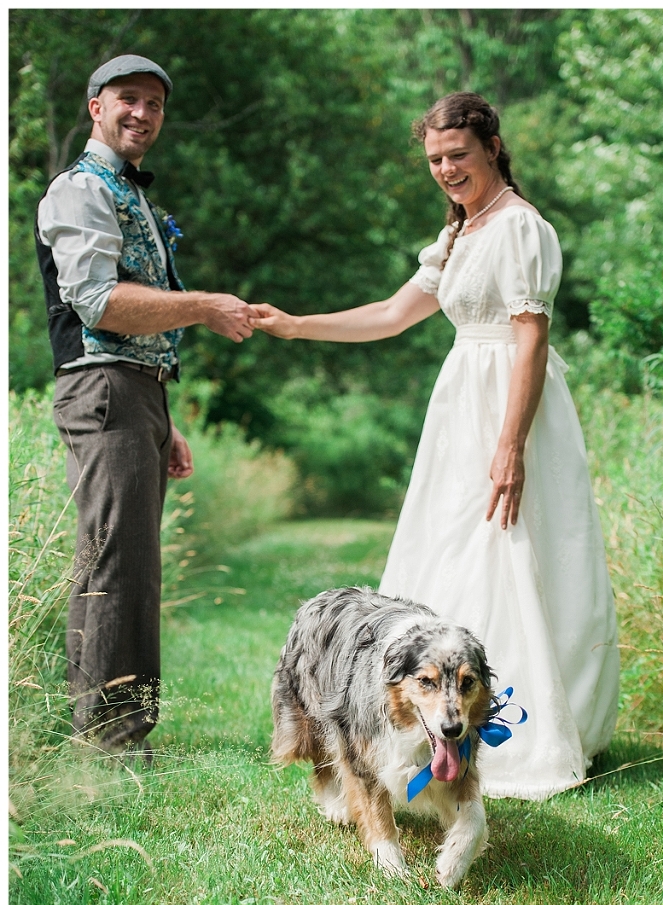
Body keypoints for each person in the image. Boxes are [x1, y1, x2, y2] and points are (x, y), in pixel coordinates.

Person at [250, 92, 619, 800]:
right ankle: (428, 719)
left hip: (510, 402)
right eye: (435, 159)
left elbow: (531, 336)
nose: (447, 169)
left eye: (459, 156)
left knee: (511, 552)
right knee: (449, 548)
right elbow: (393, 314)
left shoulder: (519, 229)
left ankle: (519, 728)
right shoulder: (459, 233)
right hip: (458, 411)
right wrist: (295, 325)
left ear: (491, 148)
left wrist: (510, 446)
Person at [35, 54, 257, 757]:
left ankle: (125, 729)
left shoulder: (129, 195)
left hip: (135, 394)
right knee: (112, 565)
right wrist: (205, 307)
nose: (142, 114)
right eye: (128, 99)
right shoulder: (79, 190)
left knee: (133, 564)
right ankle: (107, 739)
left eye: (155, 104)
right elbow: (98, 302)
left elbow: (135, 324)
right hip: (104, 393)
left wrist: (165, 418)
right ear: (95, 106)